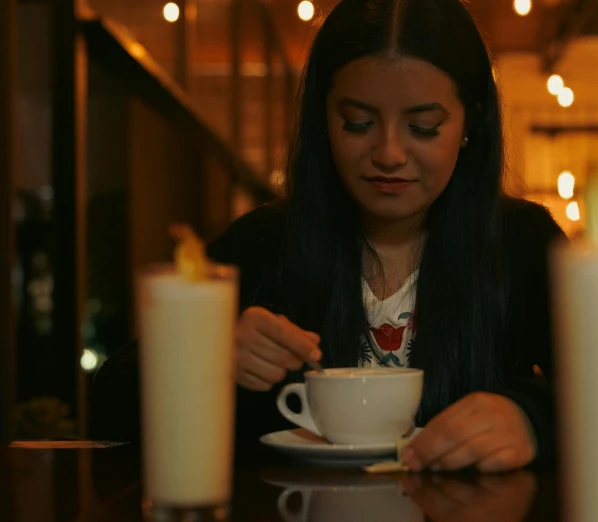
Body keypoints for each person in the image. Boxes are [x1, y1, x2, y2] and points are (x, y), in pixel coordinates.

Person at [90, 0, 565, 473]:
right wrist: (203, 356)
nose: (389, 153)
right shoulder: (263, 243)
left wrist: (532, 419)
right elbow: (107, 406)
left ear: (470, 125)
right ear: (322, 115)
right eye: (357, 122)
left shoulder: (522, 244)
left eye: (424, 127)